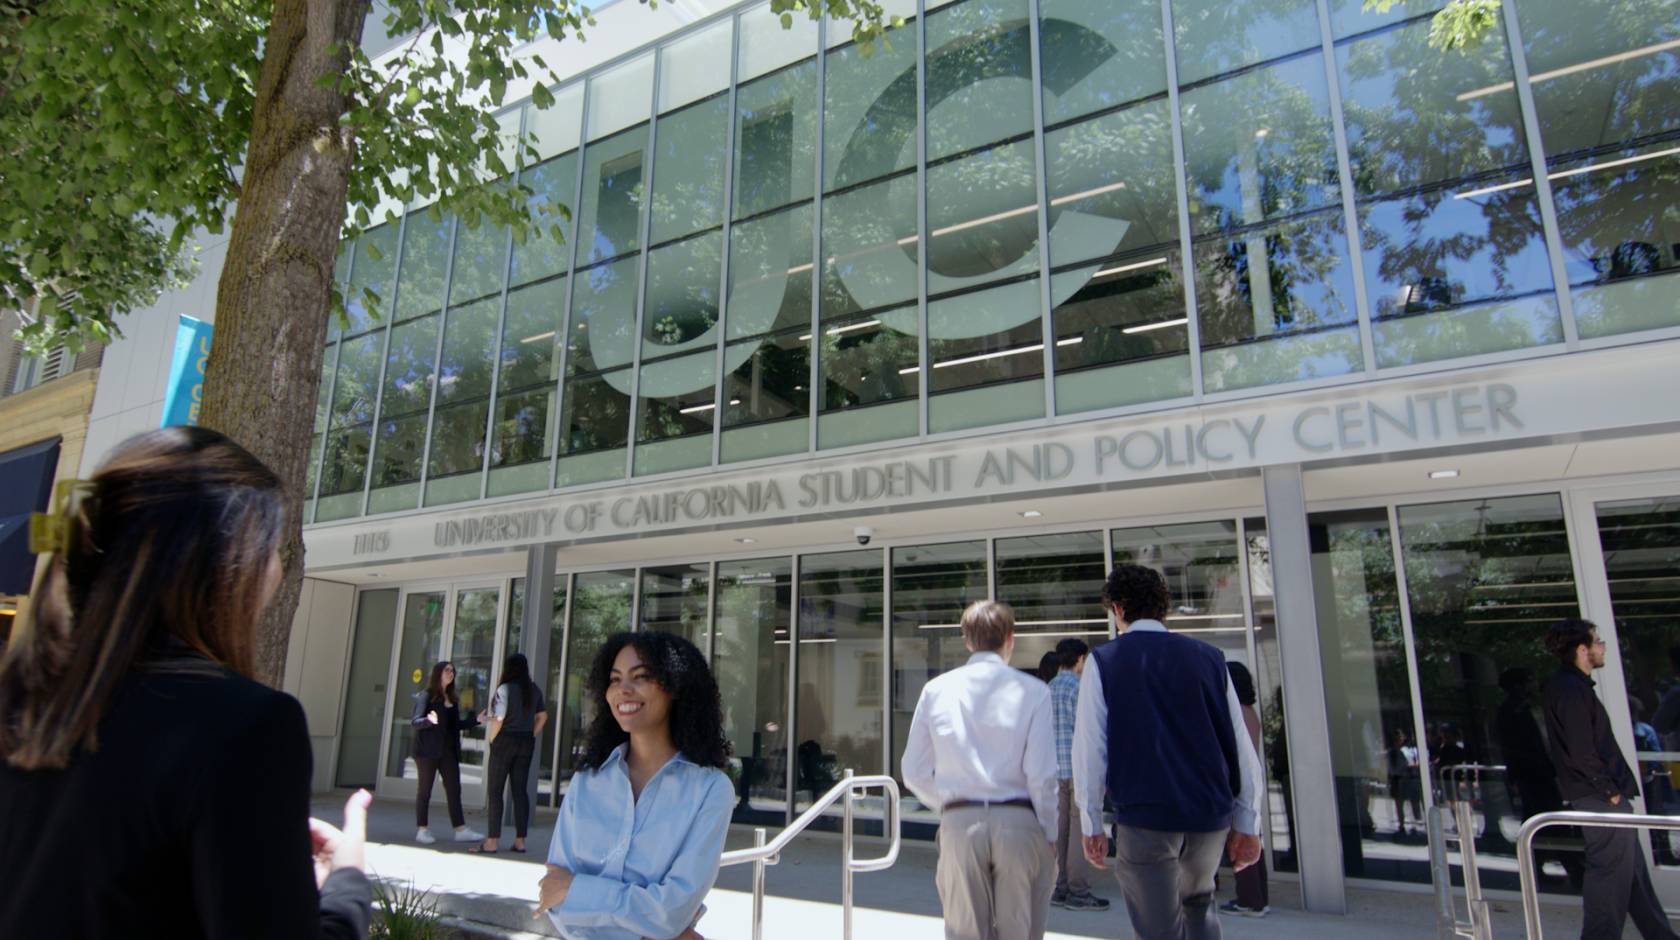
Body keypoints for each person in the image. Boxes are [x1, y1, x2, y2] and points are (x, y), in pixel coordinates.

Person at [0, 426, 372, 937]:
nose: (278, 570)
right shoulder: (248, 725)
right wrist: (347, 880)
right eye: (274, 547)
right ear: (228, 564)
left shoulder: (22, 703)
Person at [1073, 564, 1263, 940]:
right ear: (1163, 608)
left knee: (1158, 929)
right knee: (1200, 907)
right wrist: (1248, 821)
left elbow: (1091, 747)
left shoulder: (1105, 661)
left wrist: (1091, 820)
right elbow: (1238, 744)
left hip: (1146, 814)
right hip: (1208, 815)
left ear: (1119, 608)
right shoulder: (1210, 658)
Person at [536, 631, 733, 939]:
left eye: (640, 677)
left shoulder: (710, 789)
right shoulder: (586, 782)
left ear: (675, 687)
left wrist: (579, 892)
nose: (623, 690)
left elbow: (671, 912)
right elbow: (553, 893)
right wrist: (648, 921)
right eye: (614, 680)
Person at [902, 601, 1059, 940]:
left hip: (960, 823)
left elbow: (913, 770)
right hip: (1020, 821)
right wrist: (1049, 831)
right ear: (1010, 638)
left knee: (965, 932)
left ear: (967, 640)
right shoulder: (1035, 691)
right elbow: (1042, 775)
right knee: (1021, 929)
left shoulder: (936, 690)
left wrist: (949, 805)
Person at [1542, 618, 1679, 940]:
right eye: (1598, 642)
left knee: (1632, 873)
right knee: (1608, 873)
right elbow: (1581, 749)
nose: (1603, 647)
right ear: (1582, 649)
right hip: (1600, 797)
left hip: (1603, 795)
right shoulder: (1569, 690)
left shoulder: (1573, 687)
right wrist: (1609, 791)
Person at [1049, 637, 1108, 913]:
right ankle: (1078, 890)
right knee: (1078, 830)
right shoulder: (1079, 688)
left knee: (1060, 830)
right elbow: (1088, 733)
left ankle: (1059, 886)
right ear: (1081, 659)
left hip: (1053, 770)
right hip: (1076, 769)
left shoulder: (1047, 689)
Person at [472, 652, 549, 854]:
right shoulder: (533, 689)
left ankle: (491, 841)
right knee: (520, 791)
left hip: (505, 740)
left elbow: (499, 717)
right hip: (525, 742)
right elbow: (542, 716)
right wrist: (531, 733)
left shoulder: (504, 689)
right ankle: (520, 841)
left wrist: (492, 739)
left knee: (496, 791)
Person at [412, 660, 485, 845]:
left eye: (453, 671)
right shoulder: (426, 696)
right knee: (424, 791)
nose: (451, 674)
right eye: (447, 670)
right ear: (438, 673)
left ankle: (460, 829)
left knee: (454, 789)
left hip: (448, 752)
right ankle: (422, 830)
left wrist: (476, 720)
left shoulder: (452, 699)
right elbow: (415, 722)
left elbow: (455, 726)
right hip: (427, 752)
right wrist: (428, 720)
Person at [1220, 661, 1269, 918]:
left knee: (1239, 840)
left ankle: (1249, 899)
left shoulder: (1236, 714)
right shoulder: (1249, 711)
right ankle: (1258, 896)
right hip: (1248, 784)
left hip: (1237, 785)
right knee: (1251, 838)